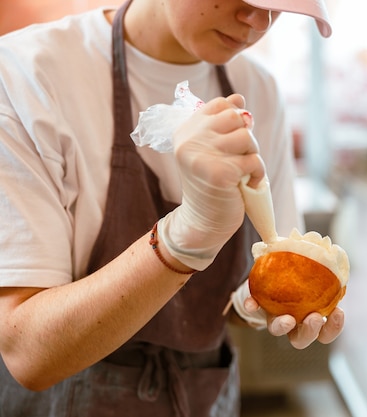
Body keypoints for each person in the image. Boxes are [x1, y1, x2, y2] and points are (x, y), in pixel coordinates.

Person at [0, 0, 344, 415]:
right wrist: (184, 237)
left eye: (278, 6)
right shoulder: (29, 75)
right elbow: (28, 355)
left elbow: (270, 265)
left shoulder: (259, 91)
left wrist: (255, 307)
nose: (259, 21)